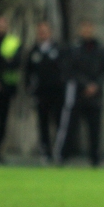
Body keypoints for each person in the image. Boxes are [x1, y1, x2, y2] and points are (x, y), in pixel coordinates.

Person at [64, 20, 104, 167]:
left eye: (89, 28)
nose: (87, 31)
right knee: (71, 127)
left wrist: (96, 85)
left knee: (95, 130)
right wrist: (85, 85)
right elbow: (72, 70)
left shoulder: (100, 49)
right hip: (78, 94)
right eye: (84, 28)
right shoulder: (75, 49)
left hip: (95, 96)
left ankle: (95, 159)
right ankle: (65, 156)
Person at [25, 21, 66, 164]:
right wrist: (30, 89)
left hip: (56, 93)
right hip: (40, 94)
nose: (43, 34)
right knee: (43, 124)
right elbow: (28, 73)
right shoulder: (34, 51)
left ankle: (59, 153)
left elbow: (64, 70)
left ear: (50, 33)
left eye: (45, 31)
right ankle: (45, 152)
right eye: (40, 31)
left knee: (58, 123)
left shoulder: (58, 49)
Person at [0, 16, 22, 163]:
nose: (1, 28)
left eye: (3, 25)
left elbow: (15, 63)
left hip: (7, 88)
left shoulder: (13, 42)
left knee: (2, 122)